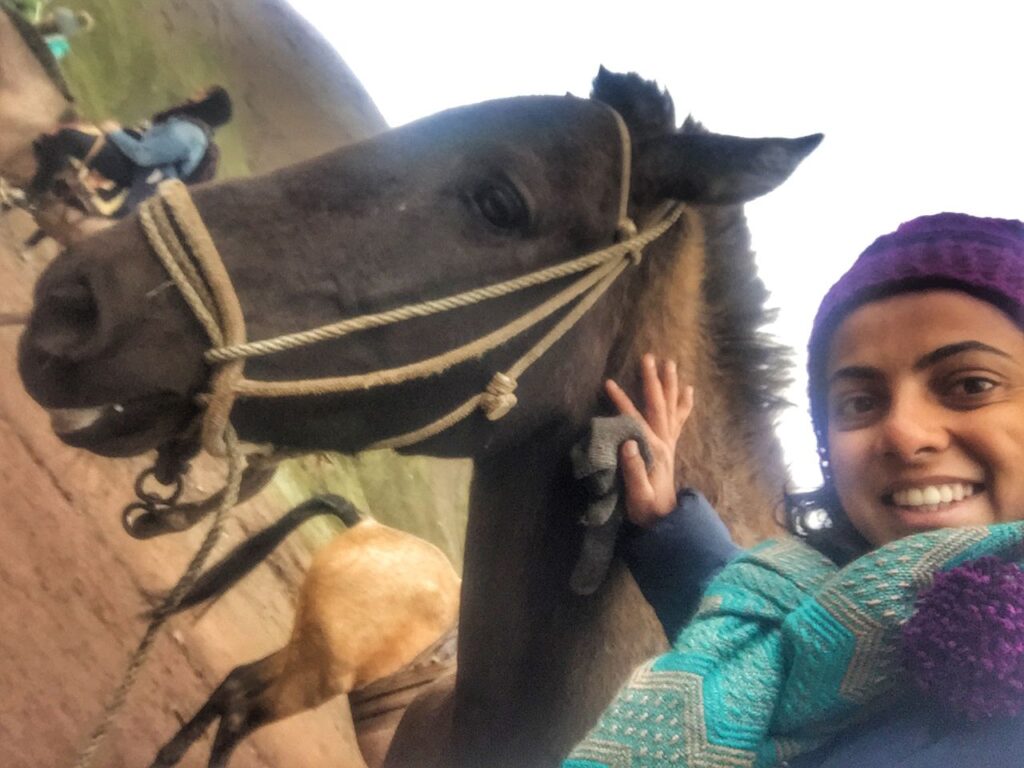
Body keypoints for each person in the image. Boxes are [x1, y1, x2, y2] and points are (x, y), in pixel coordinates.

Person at [567, 213, 1024, 767]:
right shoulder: (832, 602)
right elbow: (780, 638)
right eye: (859, 401)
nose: (903, 433)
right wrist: (667, 522)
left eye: (971, 385)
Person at [28, 85, 231, 213]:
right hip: (136, 167)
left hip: (133, 172)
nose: (196, 92)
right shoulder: (194, 130)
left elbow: (143, 155)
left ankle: (33, 196)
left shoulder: (187, 134)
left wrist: (115, 132)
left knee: (67, 138)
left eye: (203, 93)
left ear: (207, 103)